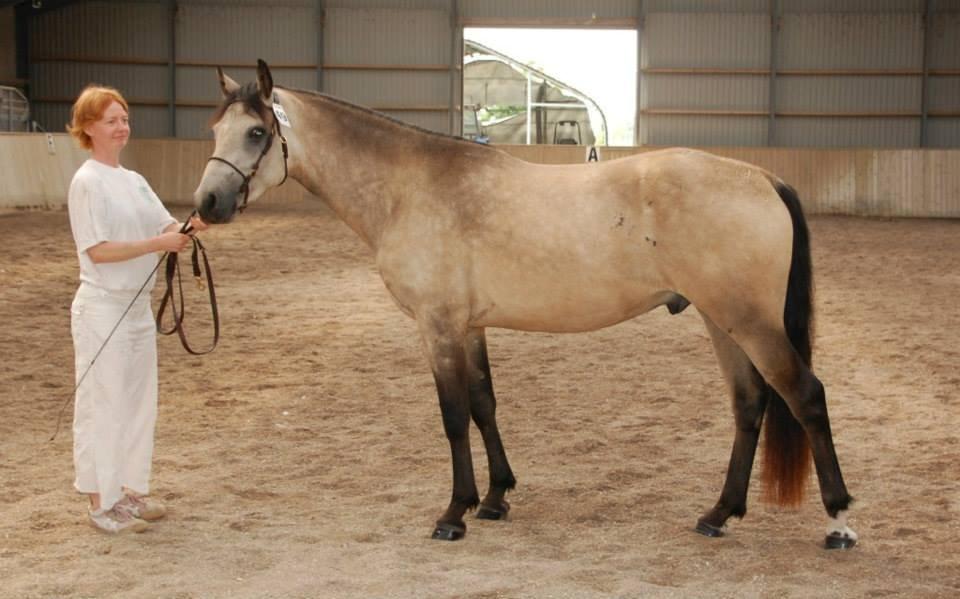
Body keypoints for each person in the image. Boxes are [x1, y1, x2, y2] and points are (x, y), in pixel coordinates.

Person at [66, 84, 207, 534]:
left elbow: (166, 224)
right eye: (112, 120)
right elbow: (98, 251)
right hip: (101, 307)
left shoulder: (134, 181)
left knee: (137, 402)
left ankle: (130, 491)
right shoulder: (86, 181)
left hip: (137, 310)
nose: (122, 127)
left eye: (124, 119)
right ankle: (100, 503)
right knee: (101, 404)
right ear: (89, 128)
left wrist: (191, 225)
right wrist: (157, 244)